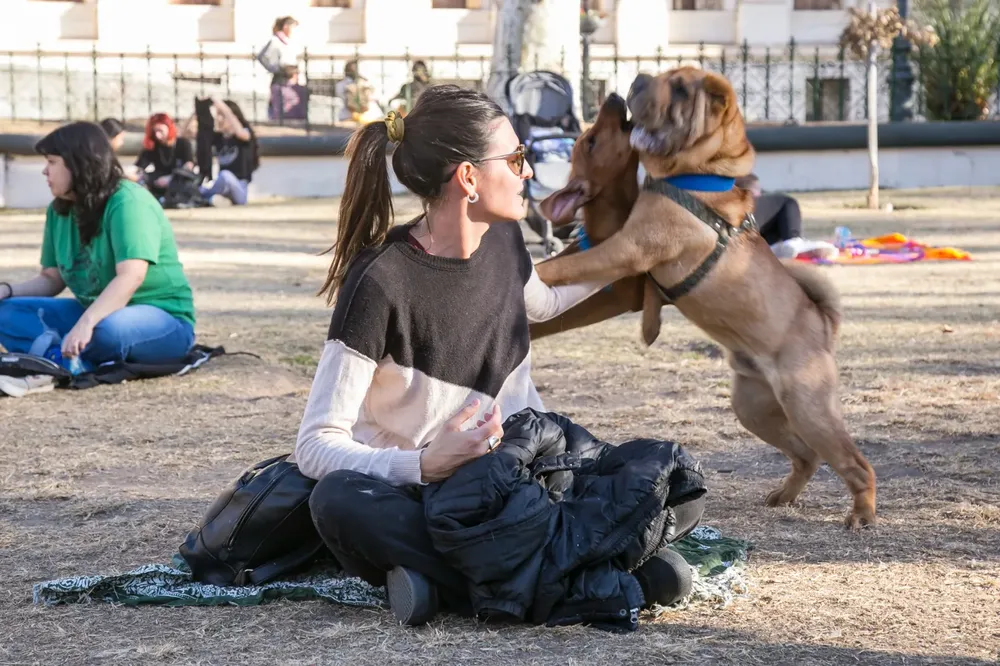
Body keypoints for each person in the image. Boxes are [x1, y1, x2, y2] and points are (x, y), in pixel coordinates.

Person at [295, 85, 704, 625]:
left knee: (675, 485)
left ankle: (473, 584)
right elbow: (315, 446)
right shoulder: (380, 282)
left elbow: (546, 302)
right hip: (440, 498)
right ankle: (595, 576)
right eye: (515, 159)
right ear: (468, 177)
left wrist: (629, 254)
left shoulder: (504, 238)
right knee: (339, 502)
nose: (528, 171)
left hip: (524, 470)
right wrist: (421, 465)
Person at [0, 121, 196, 397]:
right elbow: (51, 278)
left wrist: (86, 324)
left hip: (162, 318)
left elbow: (131, 276)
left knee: (107, 330)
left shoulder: (128, 201)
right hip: (97, 312)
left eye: (52, 162)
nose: (45, 170)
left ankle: (48, 365)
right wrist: (6, 290)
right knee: (5, 312)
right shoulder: (59, 211)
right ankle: (57, 360)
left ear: (78, 164)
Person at [737, 173, 836, 259]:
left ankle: (774, 247)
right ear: (753, 193)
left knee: (773, 226)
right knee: (787, 202)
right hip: (739, 222)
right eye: (760, 191)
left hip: (738, 238)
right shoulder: (748, 201)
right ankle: (793, 241)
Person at [198, 99, 259, 206]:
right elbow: (185, 135)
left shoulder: (244, 133)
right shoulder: (218, 138)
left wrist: (223, 107)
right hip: (223, 188)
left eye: (222, 115)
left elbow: (241, 133)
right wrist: (196, 111)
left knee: (225, 175)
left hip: (240, 188)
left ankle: (199, 195)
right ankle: (219, 200)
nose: (218, 119)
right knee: (214, 195)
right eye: (218, 115)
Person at [134, 113, 195, 200]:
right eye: (155, 131)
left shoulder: (183, 143)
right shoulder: (153, 145)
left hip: (178, 179)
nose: (157, 135)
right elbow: (140, 166)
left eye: (160, 131)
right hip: (158, 179)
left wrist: (171, 178)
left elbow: (188, 166)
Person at [334, 60, 382, 124]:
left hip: (369, 116)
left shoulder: (367, 83)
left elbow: (374, 97)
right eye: (352, 69)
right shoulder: (342, 84)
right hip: (349, 117)